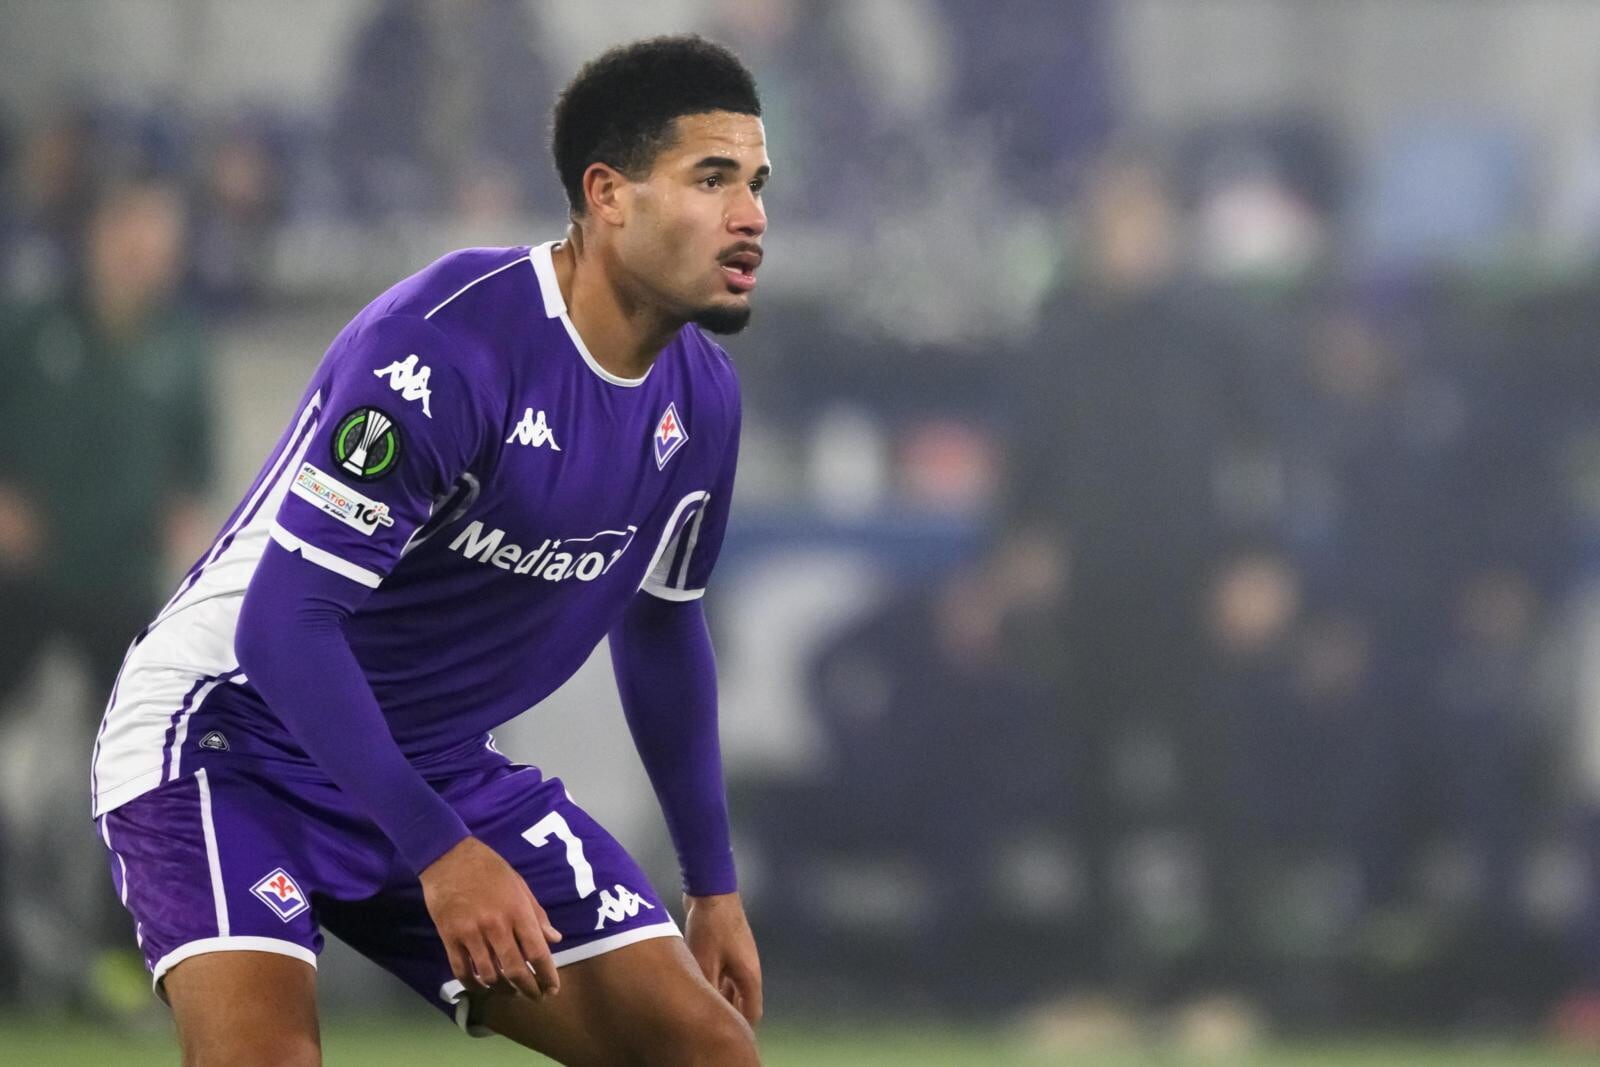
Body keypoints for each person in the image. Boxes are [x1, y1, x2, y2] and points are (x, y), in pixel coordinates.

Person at [90, 35, 768, 1065]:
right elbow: (283, 626)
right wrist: (443, 850)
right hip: (229, 736)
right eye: (711, 179)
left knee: (708, 1052)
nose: (750, 216)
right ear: (607, 195)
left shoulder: (704, 401)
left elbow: (663, 626)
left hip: (434, 761)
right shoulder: (449, 346)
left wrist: (711, 883)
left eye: (757, 184)